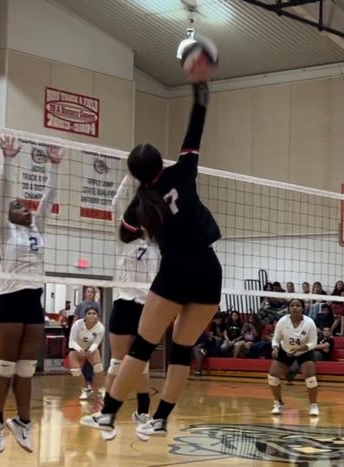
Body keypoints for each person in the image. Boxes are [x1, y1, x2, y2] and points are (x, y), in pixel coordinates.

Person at [80, 57, 222, 441]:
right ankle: (160, 420)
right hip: (209, 268)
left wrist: (141, 215)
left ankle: (108, 414)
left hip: (176, 269)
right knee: (182, 349)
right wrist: (199, 84)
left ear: (135, 174)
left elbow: (125, 234)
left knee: (142, 346)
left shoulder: (140, 203)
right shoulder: (184, 171)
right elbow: (197, 125)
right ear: (162, 161)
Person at [0, 135, 63, 453]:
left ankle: (23, 422)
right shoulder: (4, 231)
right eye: (18, 206)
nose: (26, 208)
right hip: (8, 299)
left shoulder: (37, 230)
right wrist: (7, 160)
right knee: (5, 365)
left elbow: (48, 197)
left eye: (26, 205)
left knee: (26, 369)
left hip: (33, 299)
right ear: (9, 215)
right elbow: (2, 195)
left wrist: (55, 166)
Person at [103, 174, 160, 424]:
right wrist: (133, 176)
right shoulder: (122, 241)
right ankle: (106, 413)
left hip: (146, 306)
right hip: (123, 302)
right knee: (117, 361)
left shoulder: (157, 242)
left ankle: (143, 412)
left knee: (140, 362)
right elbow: (115, 205)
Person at [267, 299, 320, 417]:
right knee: (272, 377)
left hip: (304, 351)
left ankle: (314, 405)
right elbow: (276, 339)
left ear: (302, 308)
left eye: (298, 305)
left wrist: (300, 349)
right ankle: (278, 402)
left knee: (310, 378)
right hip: (285, 350)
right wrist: (275, 348)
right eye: (292, 306)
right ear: (288, 309)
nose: (295, 308)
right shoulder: (282, 321)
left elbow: (313, 343)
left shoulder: (309, 322)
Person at [68, 307, 106, 401]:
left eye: (94, 313)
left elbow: (96, 342)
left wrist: (90, 351)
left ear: (97, 316)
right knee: (75, 371)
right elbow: (72, 340)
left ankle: (102, 389)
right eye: (89, 313)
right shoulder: (78, 324)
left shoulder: (100, 328)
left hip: (90, 349)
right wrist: (80, 350)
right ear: (85, 315)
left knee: (98, 368)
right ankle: (86, 389)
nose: (91, 315)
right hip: (76, 348)